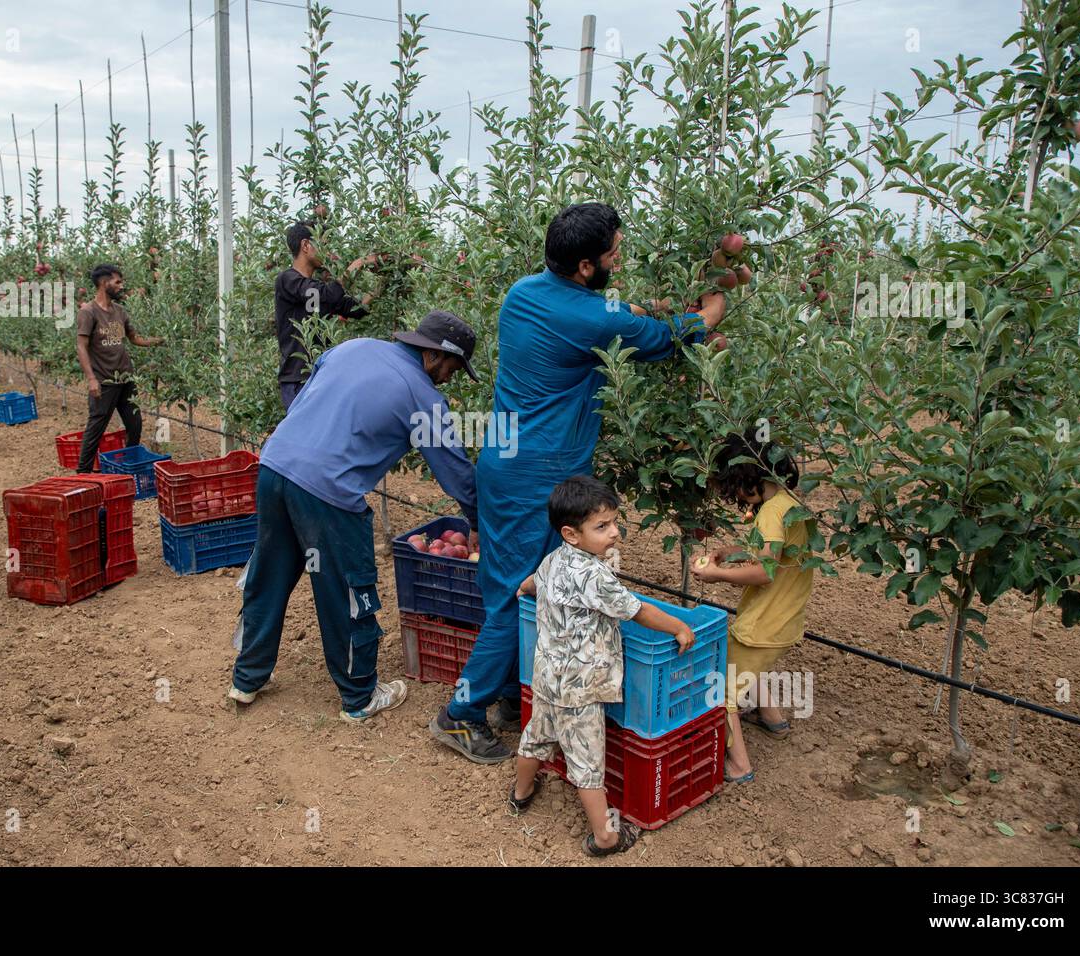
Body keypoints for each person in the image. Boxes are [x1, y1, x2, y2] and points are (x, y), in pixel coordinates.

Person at [430, 202, 728, 763]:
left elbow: (614, 309)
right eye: (615, 253)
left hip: (503, 465)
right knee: (518, 592)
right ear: (588, 265)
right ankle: (461, 713)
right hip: (540, 479)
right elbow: (674, 337)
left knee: (509, 588)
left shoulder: (522, 294)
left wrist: (653, 302)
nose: (621, 258)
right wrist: (714, 304)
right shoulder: (597, 319)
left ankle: (507, 698)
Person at [229, 310, 481, 722]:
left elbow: (305, 403)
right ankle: (360, 696)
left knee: (268, 577)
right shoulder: (423, 397)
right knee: (349, 591)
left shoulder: (350, 348)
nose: (451, 376)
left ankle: (247, 678)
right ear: (436, 356)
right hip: (328, 493)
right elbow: (455, 474)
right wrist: (477, 522)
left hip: (274, 467)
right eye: (454, 367)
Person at [509, 476, 695, 856]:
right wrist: (678, 626)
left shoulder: (555, 558)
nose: (614, 533)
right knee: (587, 760)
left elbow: (535, 580)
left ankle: (521, 792)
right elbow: (638, 611)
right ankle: (606, 837)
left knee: (537, 734)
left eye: (614, 522)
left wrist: (525, 588)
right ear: (571, 533)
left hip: (549, 676)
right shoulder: (593, 576)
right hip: (581, 688)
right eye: (602, 526)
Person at [690, 427, 815, 784]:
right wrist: (730, 553)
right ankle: (773, 719)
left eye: (734, 490)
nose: (737, 499)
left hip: (763, 624)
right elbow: (771, 552)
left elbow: (765, 571)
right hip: (784, 619)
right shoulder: (787, 503)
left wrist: (717, 575)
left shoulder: (771, 514)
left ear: (746, 480)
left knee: (721, 692)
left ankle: (739, 765)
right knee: (747, 668)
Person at [274, 221, 380, 412]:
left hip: (320, 377)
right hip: (298, 379)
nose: (329, 251)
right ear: (306, 245)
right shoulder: (288, 280)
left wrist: (383, 281)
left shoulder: (316, 289)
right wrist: (358, 264)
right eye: (324, 244)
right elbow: (328, 294)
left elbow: (355, 310)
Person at [74, 264, 163, 473]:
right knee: (97, 426)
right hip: (104, 380)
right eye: (117, 282)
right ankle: (83, 472)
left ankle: (128, 466)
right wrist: (91, 379)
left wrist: (160, 341)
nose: (121, 286)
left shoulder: (120, 312)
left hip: (125, 378)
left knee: (135, 425)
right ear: (104, 283)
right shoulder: (88, 312)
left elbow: (134, 339)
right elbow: (81, 346)